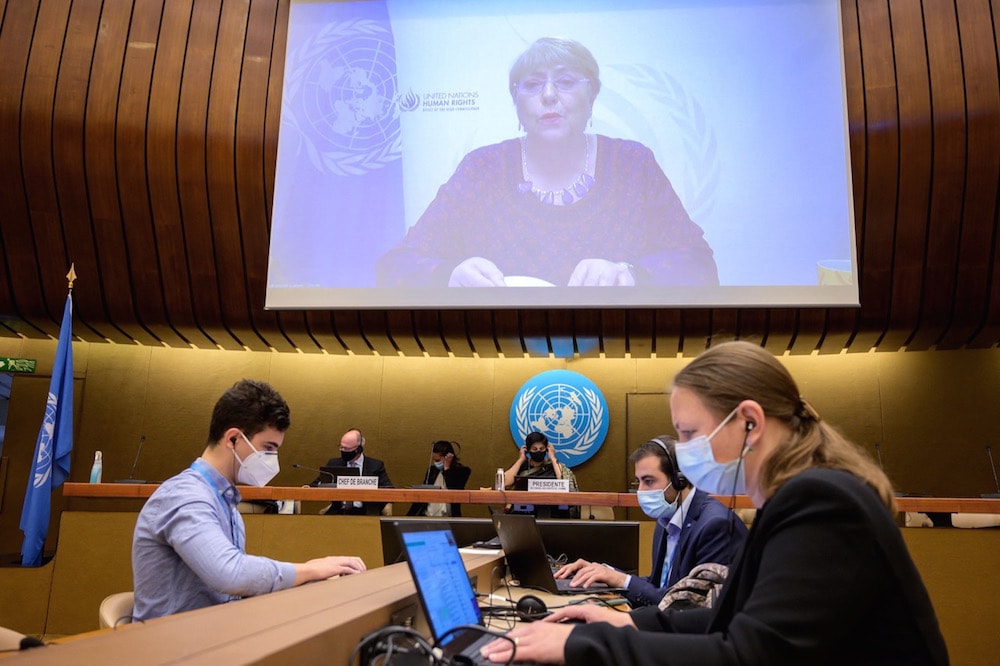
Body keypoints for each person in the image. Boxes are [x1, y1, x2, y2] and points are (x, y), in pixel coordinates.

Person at [481, 341, 949, 664]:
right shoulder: (806, 495)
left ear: (748, 421)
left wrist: (578, 648)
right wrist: (620, 625)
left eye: (688, 433)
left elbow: (747, 654)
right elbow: (731, 622)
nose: (683, 450)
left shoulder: (821, 503)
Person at [376, 37, 718, 289]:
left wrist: (629, 273)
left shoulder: (632, 164)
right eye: (533, 84)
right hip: (501, 353)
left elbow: (700, 265)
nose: (549, 95)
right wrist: (448, 275)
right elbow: (394, 267)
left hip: (612, 348)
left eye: (566, 82)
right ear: (516, 102)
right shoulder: (483, 169)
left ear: (592, 96)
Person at [132, 380, 367, 621]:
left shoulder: (226, 502)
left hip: (211, 637)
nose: (273, 459)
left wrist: (313, 582)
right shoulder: (185, 496)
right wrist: (311, 569)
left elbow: (234, 593)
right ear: (233, 439)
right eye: (268, 447)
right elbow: (230, 574)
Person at [554, 436, 747, 607]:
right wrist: (604, 573)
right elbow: (658, 587)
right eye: (639, 481)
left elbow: (688, 606)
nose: (641, 491)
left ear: (680, 479)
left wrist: (622, 580)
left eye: (649, 481)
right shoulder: (666, 519)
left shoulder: (716, 526)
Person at [318, 428, 394, 515]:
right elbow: (319, 482)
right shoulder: (334, 463)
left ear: (359, 449)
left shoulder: (375, 466)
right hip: (339, 511)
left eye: (346, 449)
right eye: (341, 447)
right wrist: (307, 486)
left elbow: (389, 489)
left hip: (366, 512)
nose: (343, 451)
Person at [504, 432, 579, 519]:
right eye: (534, 449)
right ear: (528, 450)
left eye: (542, 448)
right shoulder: (522, 465)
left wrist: (552, 457)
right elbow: (505, 483)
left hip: (553, 513)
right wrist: (521, 459)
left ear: (546, 449)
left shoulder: (554, 466)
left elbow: (565, 483)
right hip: (524, 513)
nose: (538, 451)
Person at [406, 440, 473, 517]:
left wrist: (447, 468)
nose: (435, 462)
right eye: (434, 460)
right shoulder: (432, 470)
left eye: (437, 460)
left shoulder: (462, 471)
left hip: (449, 516)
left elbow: (454, 489)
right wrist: (409, 516)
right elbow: (423, 493)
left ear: (448, 457)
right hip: (428, 514)